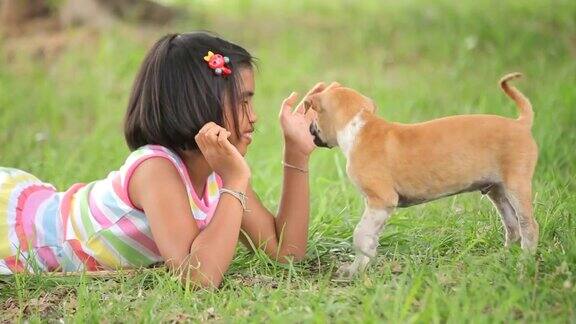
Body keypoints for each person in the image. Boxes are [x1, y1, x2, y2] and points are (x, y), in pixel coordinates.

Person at [0, 31, 326, 287]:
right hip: (27, 234)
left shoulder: (218, 173)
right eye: (243, 102)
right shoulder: (156, 168)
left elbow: (286, 255)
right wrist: (236, 182)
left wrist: (296, 152)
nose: (253, 117)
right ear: (199, 104)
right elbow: (196, 278)